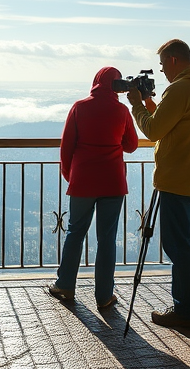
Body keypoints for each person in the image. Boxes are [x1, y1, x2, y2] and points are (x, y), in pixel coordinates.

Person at [126, 39, 190, 328]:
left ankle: (183, 310)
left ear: (175, 60)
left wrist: (136, 107)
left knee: (178, 247)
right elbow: (174, 121)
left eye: (164, 64)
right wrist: (153, 103)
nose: (162, 71)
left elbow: (154, 130)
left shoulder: (179, 89)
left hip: (176, 179)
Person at [48, 66, 139, 309]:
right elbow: (131, 145)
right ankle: (104, 296)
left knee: (75, 233)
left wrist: (70, 175)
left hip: (83, 182)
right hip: (113, 183)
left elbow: (66, 146)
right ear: (118, 85)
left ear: (96, 82)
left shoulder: (80, 107)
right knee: (107, 239)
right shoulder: (122, 111)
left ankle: (65, 285)